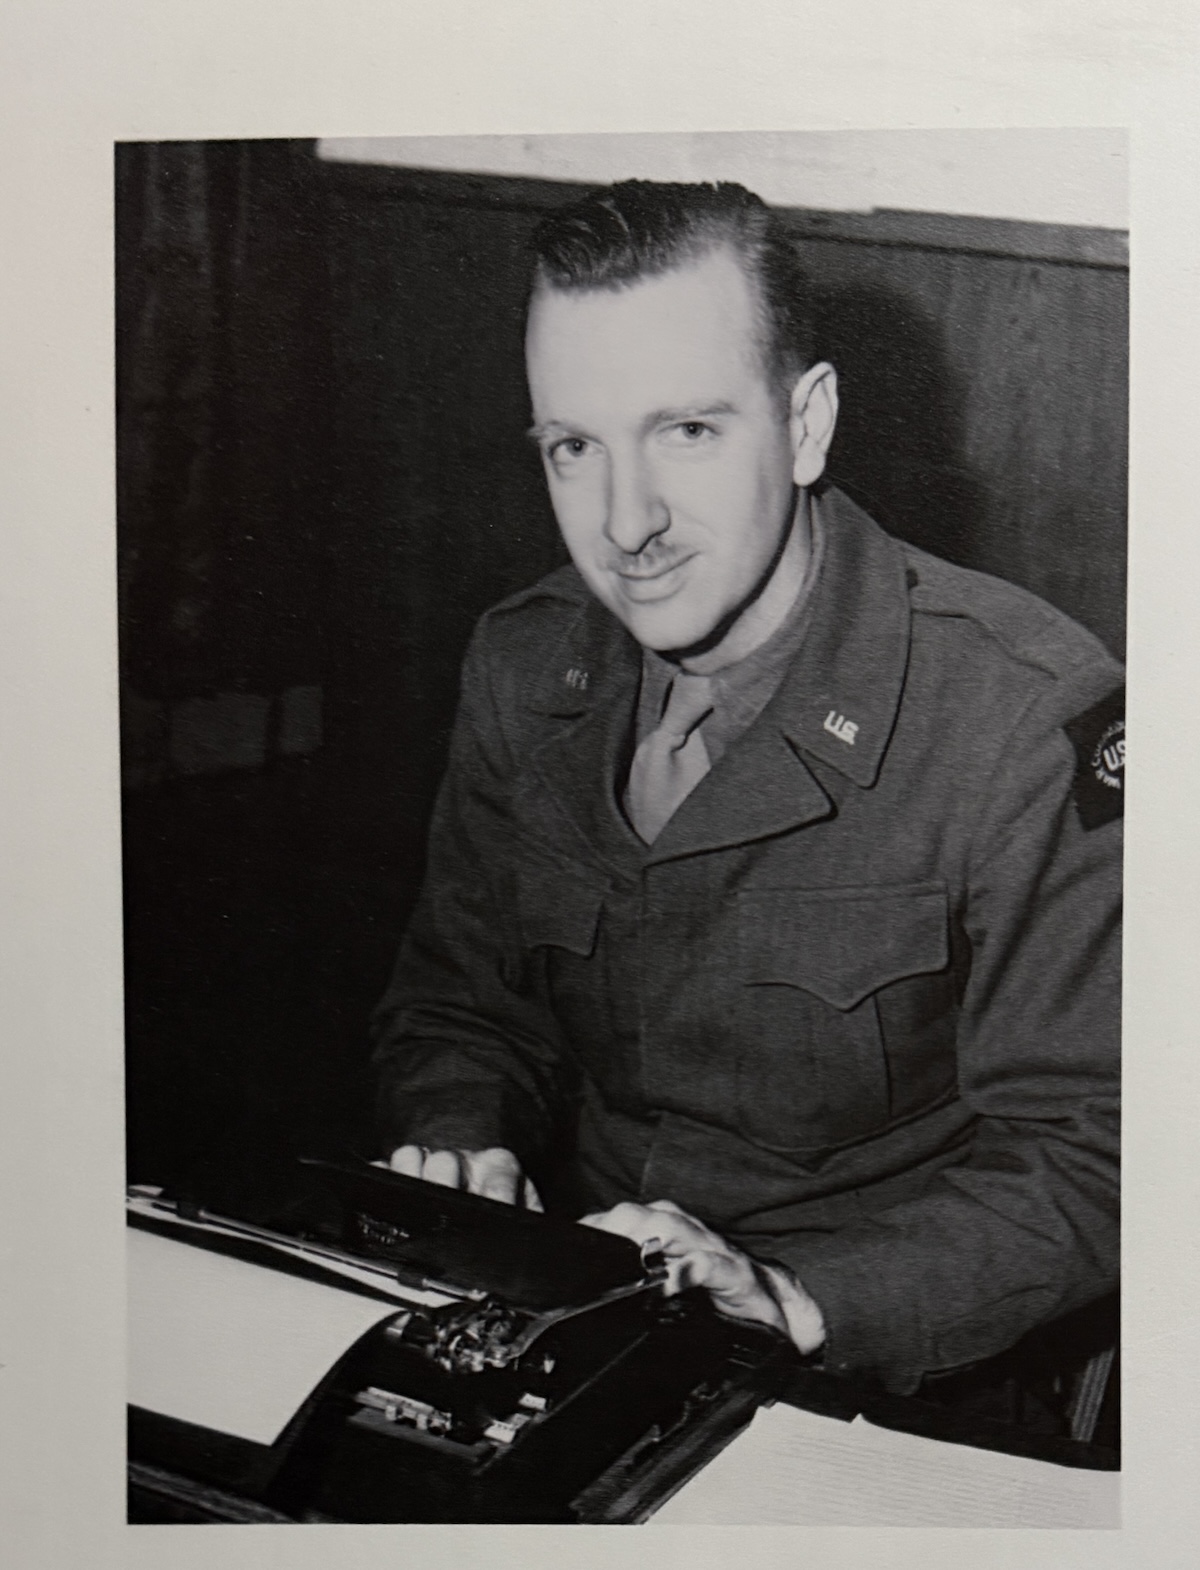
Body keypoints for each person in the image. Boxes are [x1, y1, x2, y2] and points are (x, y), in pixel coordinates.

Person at [371, 181, 1122, 1394]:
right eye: (574, 447)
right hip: (578, 1310)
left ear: (806, 423)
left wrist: (791, 1299)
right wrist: (466, 1144)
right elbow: (462, 1004)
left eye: (688, 431)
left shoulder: (1022, 715)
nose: (627, 524)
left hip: (883, 1356)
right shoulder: (525, 663)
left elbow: (1108, 1151)